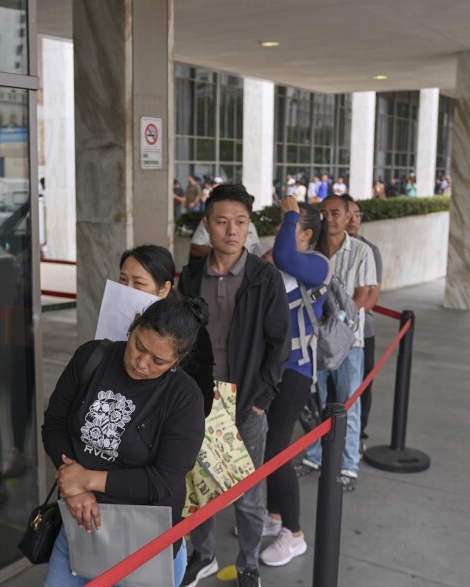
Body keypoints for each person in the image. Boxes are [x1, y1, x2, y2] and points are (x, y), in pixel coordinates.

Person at [41, 296, 208, 587]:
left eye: (158, 361)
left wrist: (86, 480)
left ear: (177, 361)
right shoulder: (92, 357)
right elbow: (54, 425)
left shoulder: (184, 398)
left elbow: (162, 482)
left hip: (143, 545)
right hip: (79, 528)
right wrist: (75, 490)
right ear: (133, 325)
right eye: (139, 346)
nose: (142, 364)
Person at [178, 184, 290, 587]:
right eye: (222, 221)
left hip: (245, 401)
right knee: (199, 482)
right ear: (207, 225)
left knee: (247, 491)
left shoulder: (264, 278)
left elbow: (280, 344)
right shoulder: (191, 276)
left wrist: (261, 400)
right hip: (198, 399)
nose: (231, 230)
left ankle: (247, 565)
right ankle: (203, 555)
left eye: (240, 222)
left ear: (249, 227)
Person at [257, 197, 329, 567]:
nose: (282, 232)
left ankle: (295, 533)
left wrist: (288, 212)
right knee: (266, 442)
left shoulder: (317, 264)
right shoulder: (283, 260)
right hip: (271, 369)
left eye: (291, 225)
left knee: (277, 451)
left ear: (308, 234)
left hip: (297, 371)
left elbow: (283, 256)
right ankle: (273, 515)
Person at [300, 195, 377, 492]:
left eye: (335, 213)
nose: (329, 219)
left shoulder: (361, 251)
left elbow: (362, 296)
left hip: (348, 343)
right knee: (317, 400)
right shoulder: (312, 250)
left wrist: (336, 327)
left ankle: (348, 465)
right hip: (314, 341)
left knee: (348, 402)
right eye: (324, 213)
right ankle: (315, 456)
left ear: (348, 217)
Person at [118, 245, 215, 416]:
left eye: (138, 283)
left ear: (164, 289)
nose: (127, 288)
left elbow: (202, 403)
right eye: (123, 279)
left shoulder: (189, 331)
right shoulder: (114, 315)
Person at [343, 197, 382, 455]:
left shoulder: (369, 250)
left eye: (358, 214)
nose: (354, 219)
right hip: (331, 333)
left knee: (361, 385)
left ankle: (358, 435)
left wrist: (346, 321)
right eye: (349, 214)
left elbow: (371, 296)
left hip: (361, 331)